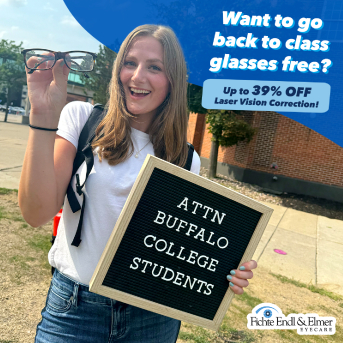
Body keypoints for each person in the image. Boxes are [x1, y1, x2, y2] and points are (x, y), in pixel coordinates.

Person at [18, 24, 257, 343]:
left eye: (154, 67)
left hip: (153, 319)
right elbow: (36, 213)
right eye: (129, 63)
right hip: (75, 311)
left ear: (172, 80)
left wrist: (223, 269)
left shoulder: (186, 159)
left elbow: (179, 246)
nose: (137, 77)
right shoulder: (84, 120)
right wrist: (43, 114)